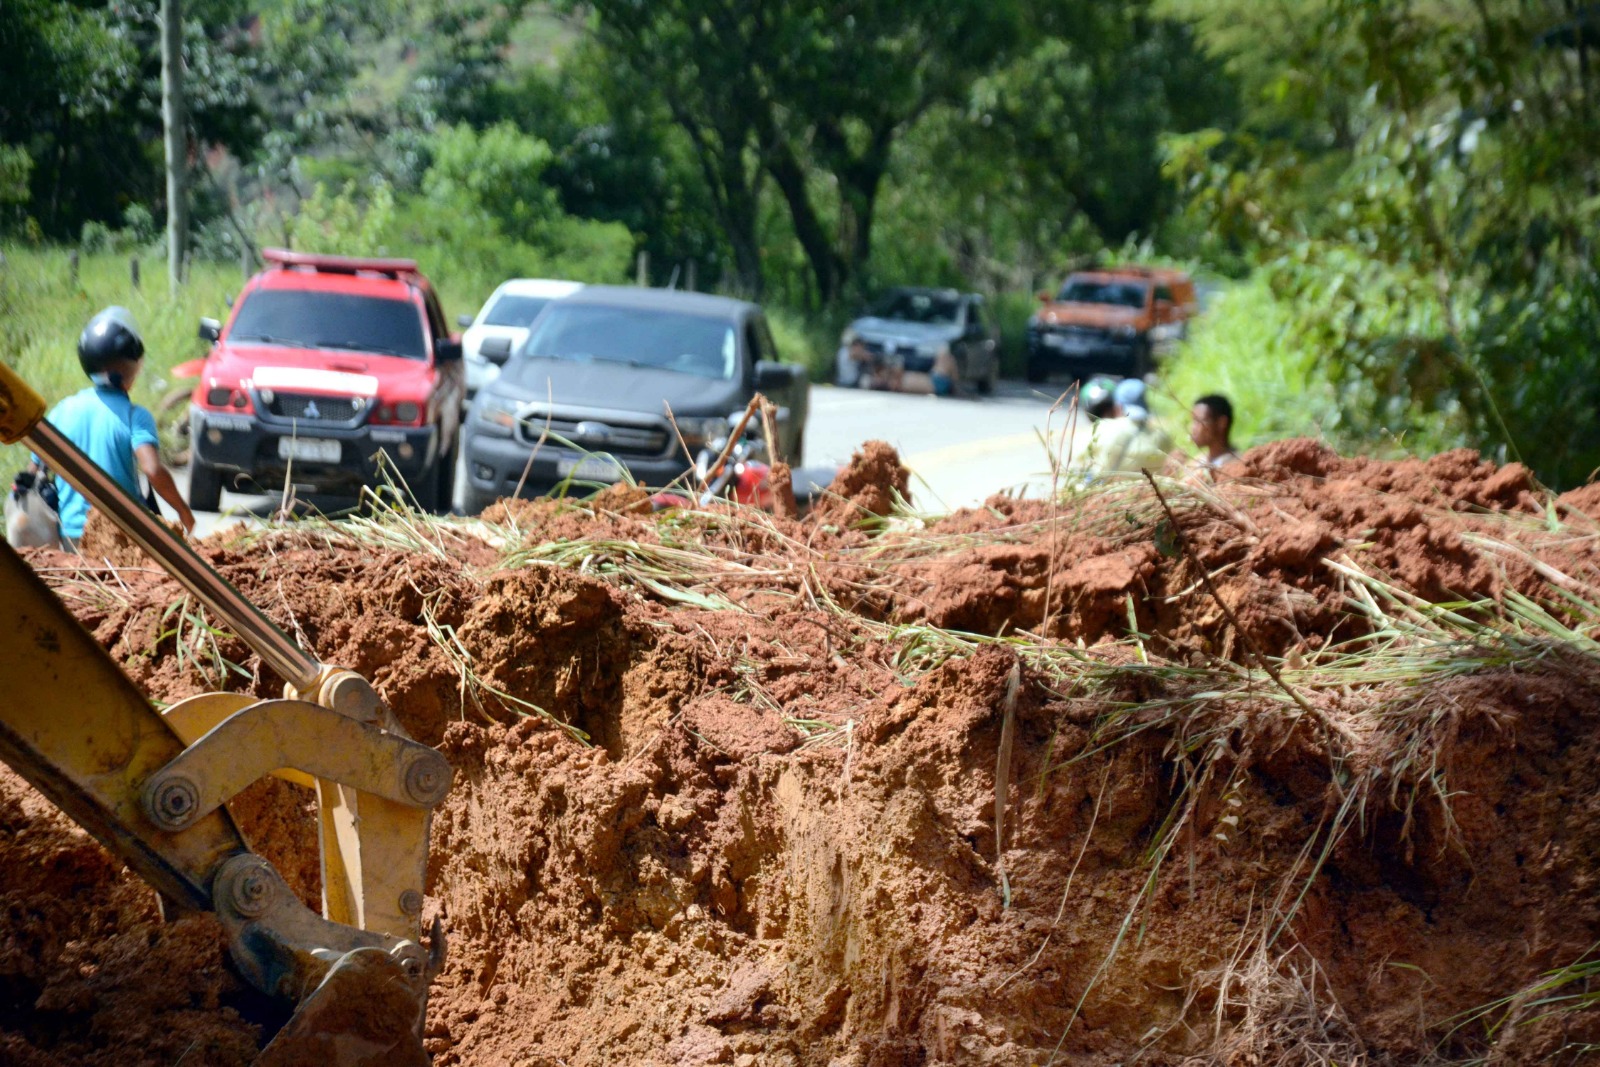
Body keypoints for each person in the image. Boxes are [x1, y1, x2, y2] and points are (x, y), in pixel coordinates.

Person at [44, 307, 195, 547]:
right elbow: (153, 469)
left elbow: (35, 468)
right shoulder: (134, 415)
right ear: (132, 365)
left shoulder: (62, 410)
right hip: (120, 536)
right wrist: (183, 511)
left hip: (69, 534)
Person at [1189, 393, 1241, 472]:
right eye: (1193, 421)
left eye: (1199, 421)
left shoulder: (1238, 466)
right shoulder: (1196, 462)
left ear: (1222, 423)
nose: (1193, 428)